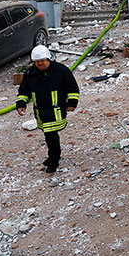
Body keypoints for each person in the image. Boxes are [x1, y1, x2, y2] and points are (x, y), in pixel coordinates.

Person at [15, 45, 80, 174]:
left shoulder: (61, 71)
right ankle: (53, 156)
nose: (40, 63)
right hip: (41, 112)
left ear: (48, 59)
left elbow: (72, 88)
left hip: (55, 111)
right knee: (48, 135)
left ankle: (54, 160)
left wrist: (72, 103)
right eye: (37, 61)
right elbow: (24, 91)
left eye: (42, 60)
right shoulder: (30, 74)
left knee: (51, 135)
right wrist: (21, 103)